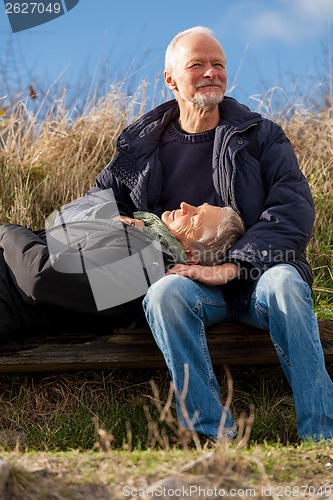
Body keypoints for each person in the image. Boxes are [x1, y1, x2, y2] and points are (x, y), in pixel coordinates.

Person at [83, 26, 333, 443]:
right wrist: (117, 222)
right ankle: (214, 438)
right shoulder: (141, 146)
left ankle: (322, 437)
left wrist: (235, 266)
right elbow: (93, 205)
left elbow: (293, 208)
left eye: (218, 64)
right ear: (171, 80)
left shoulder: (259, 135)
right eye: (197, 64)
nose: (210, 73)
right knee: (163, 295)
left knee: (288, 283)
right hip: (189, 281)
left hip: (258, 277)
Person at [0, 198, 244, 338]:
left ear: (192, 256)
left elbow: (42, 278)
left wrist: (9, 230)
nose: (184, 205)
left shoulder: (145, 262)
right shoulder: (141, 240)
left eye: (194, 218)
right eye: (196, 206)